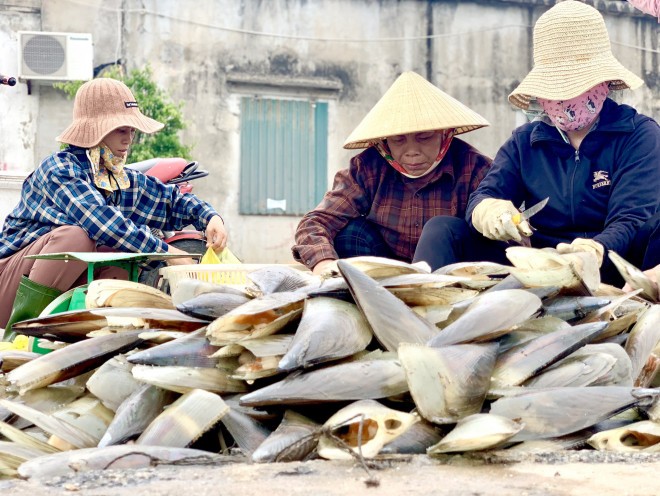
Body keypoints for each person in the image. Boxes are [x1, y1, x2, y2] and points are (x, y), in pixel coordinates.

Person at [413, 1, 660, 286]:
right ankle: (425, 313)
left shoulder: (640, 136)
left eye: (577, 85)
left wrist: (591, 250)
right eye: (555, 90)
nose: (565, 98)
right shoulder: (524, 142)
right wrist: (491, 212)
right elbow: (484, 196)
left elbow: (631, 219)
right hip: (538, 268)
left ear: (603, 83)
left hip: (615, 267)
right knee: (442, 229)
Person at [0, 77, 227, 339]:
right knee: (77, 237)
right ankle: (19, 339)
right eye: (121, 130)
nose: (129, 138)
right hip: (10, 285)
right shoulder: (60, 170)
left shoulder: (117, 176)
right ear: (96, 130)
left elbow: (170, 200)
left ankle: (99, 340)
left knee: (119, 259)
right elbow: (102, 222)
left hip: (54, 287)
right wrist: (167, 251)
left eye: (132, 131)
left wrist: (210, 217)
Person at [291, 71, 492, 275]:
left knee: (443, 227)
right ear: (385, 142)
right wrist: (323, 263)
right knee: (350, 233)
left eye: (424, 137)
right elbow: (316, 222)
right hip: (386, 273)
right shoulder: (367, 168)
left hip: (455, 274)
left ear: (445, 135)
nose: (412, 151)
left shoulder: (474, 168)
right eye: (398, 141)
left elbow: (506, 238)